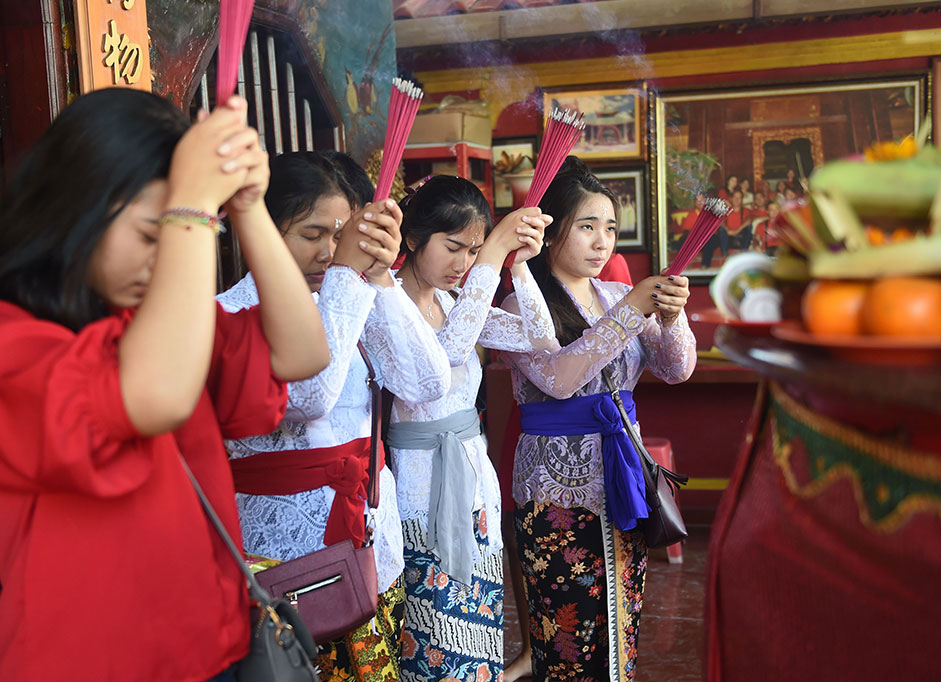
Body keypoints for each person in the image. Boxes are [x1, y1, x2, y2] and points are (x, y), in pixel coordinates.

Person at [0, 89, 329, 681]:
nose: (167, 257)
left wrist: (248, 206)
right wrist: (194, 209)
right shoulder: (13, 341)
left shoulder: (151, 327)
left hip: (209, 648)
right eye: (155, 235)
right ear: (76, 207)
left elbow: (302, 351)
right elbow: (156, 396)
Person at [217, 151, 450, 682]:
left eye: (342, 234)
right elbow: (308, 395)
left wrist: (381, 276)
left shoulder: (351, 295)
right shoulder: (227, 313)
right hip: (279, 555)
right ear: (263, 232)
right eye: (312, 233)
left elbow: (427, 384)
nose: (329, 251)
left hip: (368, 540)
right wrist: (348, 275)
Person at [501, 157, 697, 681]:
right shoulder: (522, 303)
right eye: (587, 226)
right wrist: (633, 308)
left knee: (621, 621)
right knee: (568, 630)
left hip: (623, 476)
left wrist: (672, 317)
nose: (602, 241)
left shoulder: (614, 295)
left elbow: (676, 370)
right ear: (551, 228)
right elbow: (560, 379)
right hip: (555, 489)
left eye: (609, 228)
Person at [385, 176, 555, 682]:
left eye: (474, 250)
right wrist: (490, 259)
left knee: (478, 640)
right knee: (431, 640)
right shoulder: (387, 302)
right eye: (453, 246)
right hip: (420, 489)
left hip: (475, 481)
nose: (463, 263)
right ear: (413, 238)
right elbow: (446, 358)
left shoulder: (459, 302)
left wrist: (517, 266)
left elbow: (540, 338)